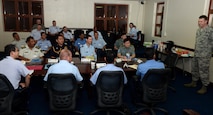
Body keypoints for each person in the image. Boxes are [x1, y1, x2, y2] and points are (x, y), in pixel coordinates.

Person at [184, 15, 213, 94]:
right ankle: (194, 82)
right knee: (195, 68)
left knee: (204, 71)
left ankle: (205, 86)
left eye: (201, 21)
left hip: (205, 56)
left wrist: (209, 53)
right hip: (197, 53)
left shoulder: (210, 31)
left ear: (206, 21)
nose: (199, 23)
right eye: (198, 21)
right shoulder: (198, 30)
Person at [0, 44, 31, 112]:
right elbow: (28, 76)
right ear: (12, 53)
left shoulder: (0, 62)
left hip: (1, 90)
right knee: (26, 89)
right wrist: (26, 86)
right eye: (17, 51)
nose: (18, 52)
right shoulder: (17, 63)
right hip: (13, 91)